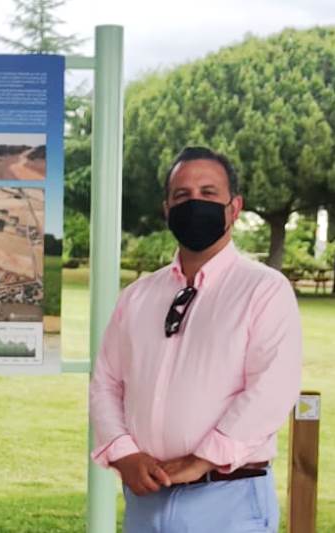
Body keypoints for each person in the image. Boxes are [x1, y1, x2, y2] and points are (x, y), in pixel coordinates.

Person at [89, 146, 302, 532]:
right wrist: (124, 452)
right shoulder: (138, 295)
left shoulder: (264, 290)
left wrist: (203, 459)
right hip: (145, 500)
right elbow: (106, 382)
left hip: (228, 499)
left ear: (234, 208)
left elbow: (271, 389)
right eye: (182, 196)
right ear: (167, 209)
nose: (194, 203)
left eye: (208, 193)